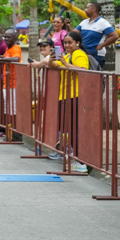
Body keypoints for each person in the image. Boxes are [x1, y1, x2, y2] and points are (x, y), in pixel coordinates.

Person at [48, 30, 89, 170]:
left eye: (70, 42)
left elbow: (84, 69)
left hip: (74, 95)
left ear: (78, 43)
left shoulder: (78, 54)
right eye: (65, 43)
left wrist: (65, 63)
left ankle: (81, 160)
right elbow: (53, 66)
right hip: (66, 96)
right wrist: (51, 59)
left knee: (73, 128)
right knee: (66, 127)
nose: (67, 45)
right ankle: (71, 154)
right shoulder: (67, 55)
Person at [0, 34, 22, 140]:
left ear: (14, 39)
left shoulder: (16, 48)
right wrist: (0, 57)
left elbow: (16, 58)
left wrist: (2, 60)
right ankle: (8, 132)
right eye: (5, 37)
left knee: (12, 109)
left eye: (9, 37)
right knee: (8, 108)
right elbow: (7, 57)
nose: (6, 39)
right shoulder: (7, 48)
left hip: (13, 84)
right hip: (7, 83)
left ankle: (15, 135)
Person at [78, 1, 120, 68]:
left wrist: (102, 45)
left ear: (93, 9)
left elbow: (115, 36)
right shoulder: (84, 22)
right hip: (84, 54)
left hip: (96, 55)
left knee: (94, 77)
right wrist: (68, 26)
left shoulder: (102, 23)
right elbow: (74, 33)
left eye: (87, 8)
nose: (85, 10)